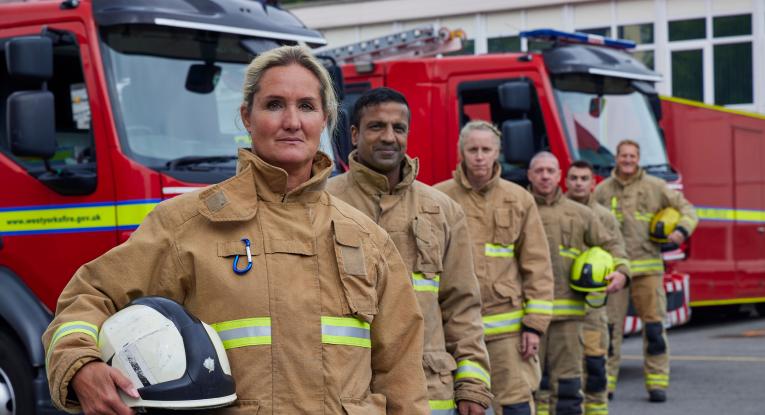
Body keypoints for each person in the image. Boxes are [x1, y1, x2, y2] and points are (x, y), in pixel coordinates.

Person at [42, 46, 430, 415]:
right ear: (247, 116)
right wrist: (80, 365)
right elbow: (88, 295)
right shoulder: (186, 225)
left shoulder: (368, 240)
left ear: (325, 120)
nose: (291, 121)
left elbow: (403, 377)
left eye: (307, 106)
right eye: (274, 105)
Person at [326, 88, 493, 415]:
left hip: (431, 392)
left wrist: (472, 384)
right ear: (355, 134)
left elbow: (462, 304)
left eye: (398, 128)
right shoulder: (324, 203)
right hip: (349, 395)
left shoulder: (444, 210)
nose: (389, 137)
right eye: (376, 127)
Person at [434, 121, 554, 415]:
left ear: (497, 152)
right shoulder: (437, 198)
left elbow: (537, 265)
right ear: (461, 151)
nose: (479, 156)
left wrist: (534, 326)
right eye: (472, 149)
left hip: (508, 334)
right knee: (464, 405)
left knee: (515, 404)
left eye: (486, 149)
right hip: (455, 333)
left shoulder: (519, 199)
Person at [593, 140, 698, 403]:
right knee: (609, 331)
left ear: (638, 158)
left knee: (653, 331)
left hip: (648, 270)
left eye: (632, 155)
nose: (628, 159)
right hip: (615, 272)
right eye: (623, 155)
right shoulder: (602, 191)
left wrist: (681, 231)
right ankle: (606, 385)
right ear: (616, 158)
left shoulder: (656, 186)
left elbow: (689, 210)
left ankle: (657, 383)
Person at [527, 152, 629, 415]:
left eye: (550, 171)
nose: (545, 176)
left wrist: (621, 271)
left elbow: (612, 245)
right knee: (533, 387)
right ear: (529, 175)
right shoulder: (518, 207)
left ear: (559, 176)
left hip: (570, 318)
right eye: (539, 171)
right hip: (528, 316)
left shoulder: (581, 214)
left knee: (569, 387)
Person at [565, 160, 628, 415]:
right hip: (560, 305)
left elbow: (617, 248)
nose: (578, 183)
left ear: (593, 183)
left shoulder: (604, 217)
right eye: (573, 178)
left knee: (595, 368)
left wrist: (622, 272)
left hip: (593, 306)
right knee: (561, 375)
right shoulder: (553, 211)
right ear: (566, 181)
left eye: (584, 178)